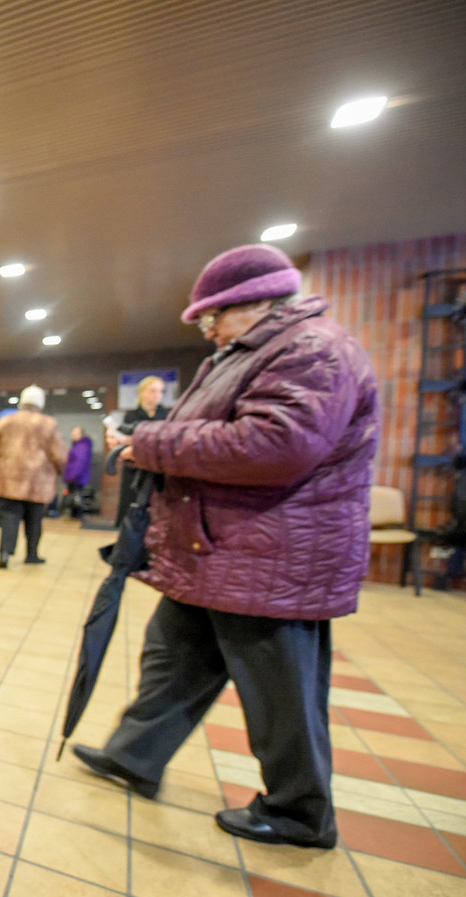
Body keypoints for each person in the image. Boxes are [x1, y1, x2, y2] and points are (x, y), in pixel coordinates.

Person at [73, 243, 378, 849]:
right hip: (217, 549)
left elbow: (276, 445)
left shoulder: (312, 349)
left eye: (215, 316)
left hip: (271, 558)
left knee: (281, 690)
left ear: (257, 301)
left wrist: (153, 445)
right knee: (171, 657)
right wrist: (154, 441)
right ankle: (135, 757)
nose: (209, 328)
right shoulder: (255, 353)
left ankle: (299, 812)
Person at [0, 386, 66, 568]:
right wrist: (61, 471)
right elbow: (59, 455)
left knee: (9, 517)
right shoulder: (48, 424)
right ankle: (32, 554)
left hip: (8, 479)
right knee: (35, 519)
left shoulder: (5, 422)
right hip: (38, 481)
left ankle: (5, 553)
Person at [108, 376, 169, 524]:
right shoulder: (131, 416)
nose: (157, 395)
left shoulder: (167, 415)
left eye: (160, 391)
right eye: (152, 390)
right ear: (141, 393)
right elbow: (122, 439)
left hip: (158, 471)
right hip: (134, 470)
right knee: (132, 512)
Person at [62, 426, 93, 518]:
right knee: (75, 497)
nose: (73, 436)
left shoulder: (82, 446)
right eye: (73, 434)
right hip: (75, 476)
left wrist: (72, 476)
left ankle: (76, 516)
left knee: (76, 497)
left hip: (76, 477)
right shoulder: (78, 446)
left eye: (76, 434)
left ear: (81, 434)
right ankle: (74, 515)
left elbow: (80, 463)